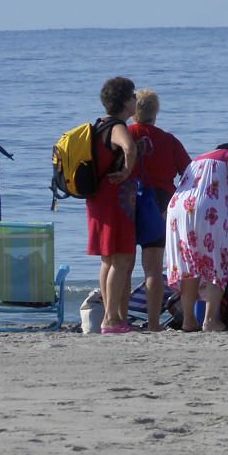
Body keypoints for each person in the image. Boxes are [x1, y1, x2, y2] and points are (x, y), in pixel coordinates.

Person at [165, 143, 228, 331]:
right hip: (206, 209)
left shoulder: (197, 161)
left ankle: (189, 321)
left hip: (178, 210)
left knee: (190, 265)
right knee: (216, 262)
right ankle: (210, 320)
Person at [128, 88, 191, 331]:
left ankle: (118, 318)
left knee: (123, 265)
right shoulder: (169, 140)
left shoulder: (126, 134)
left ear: (134, 111)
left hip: (129, 201)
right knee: (153, 268)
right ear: (156, 111)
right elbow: (189, 171)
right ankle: (153, 324)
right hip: (160, 204)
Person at [87, 77, 139, 334]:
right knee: (121, 258)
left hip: (98, 197)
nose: (136, 101)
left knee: (108, 259)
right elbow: (129, 148)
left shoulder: (99, 125)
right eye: (133, 96)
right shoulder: (118, 127)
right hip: (114, 198)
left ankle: (113, 316)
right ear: (125, 101)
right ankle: (111, 318)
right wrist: (128, 171)